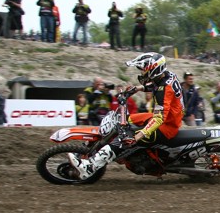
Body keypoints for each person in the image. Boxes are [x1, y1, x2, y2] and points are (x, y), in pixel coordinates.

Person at [69, 52, 183, 180]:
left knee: (125, 139)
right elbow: (155, 85)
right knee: (123, 119)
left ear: (154, 70)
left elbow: (158, 118)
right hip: (169, 118)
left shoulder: (164, 90)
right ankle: (86, 150)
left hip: (166, 125)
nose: (142, 73)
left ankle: (90, 167)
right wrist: (138, 88)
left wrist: (138, 136)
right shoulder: (167, 75)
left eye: (144, 70)